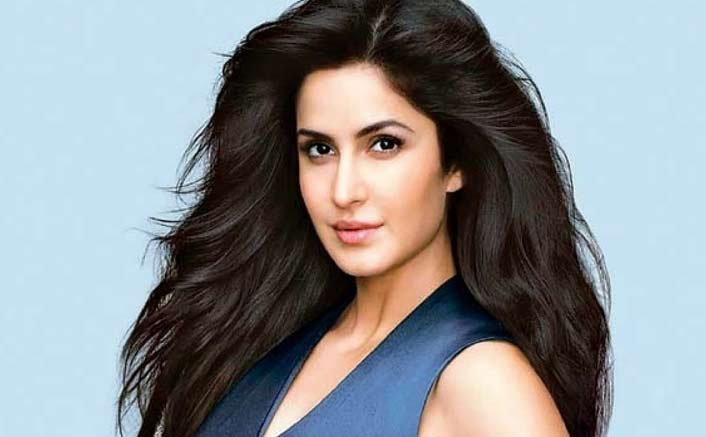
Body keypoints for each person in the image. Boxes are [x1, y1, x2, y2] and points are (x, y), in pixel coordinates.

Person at [117, 1, 613, 436]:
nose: (343, 191)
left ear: (456, 163)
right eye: (319, 149)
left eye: (384, 144)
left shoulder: (483, 382)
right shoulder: (260, 346)